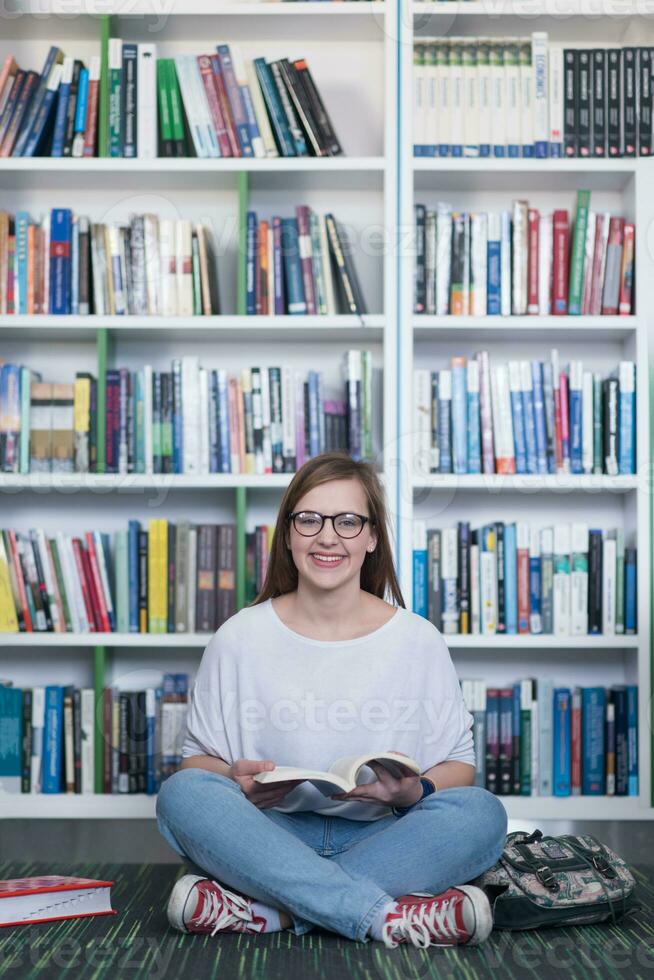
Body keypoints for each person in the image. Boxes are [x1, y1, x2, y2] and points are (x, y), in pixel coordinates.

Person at [156, 451, 507, 948]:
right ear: (289, 533)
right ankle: (385, 916)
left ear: (371, 537)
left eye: (347, 521)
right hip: (268, 837)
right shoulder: (238, 635)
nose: (327, 537)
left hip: (385, 837)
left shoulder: (417, 639)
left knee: (481, 814)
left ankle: (266, 910)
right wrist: (237, 783)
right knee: (183, 793)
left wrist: (414, 793)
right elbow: (199, 760)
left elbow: (459, 765)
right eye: (309, 519)